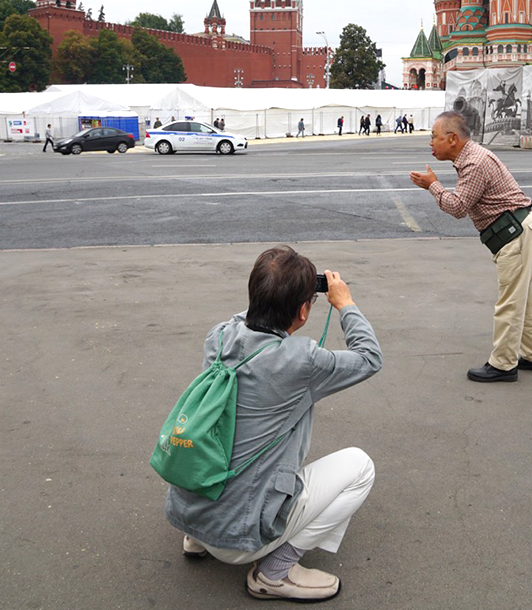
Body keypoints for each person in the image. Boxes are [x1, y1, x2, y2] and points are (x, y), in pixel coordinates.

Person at [163, 246, 383, 602]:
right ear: (302, 310)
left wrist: (274, 287)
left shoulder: (218, 336)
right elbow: (370, 357)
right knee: (360, 466)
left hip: (189, 513)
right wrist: (345, 304)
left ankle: (198, 538)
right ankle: (274, 572)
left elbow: (249, 316)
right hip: (239, 539)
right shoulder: (302, 360)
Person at [409, 111, 532, 383]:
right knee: (525, 299)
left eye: (434, 137)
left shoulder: (473, 162)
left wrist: (433, 186)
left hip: (516, 235)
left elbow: (458, 207)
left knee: (510, 303)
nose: (430, 143)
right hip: (524, 230)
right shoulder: (473, 156)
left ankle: (503, 365)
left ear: (452, 139)